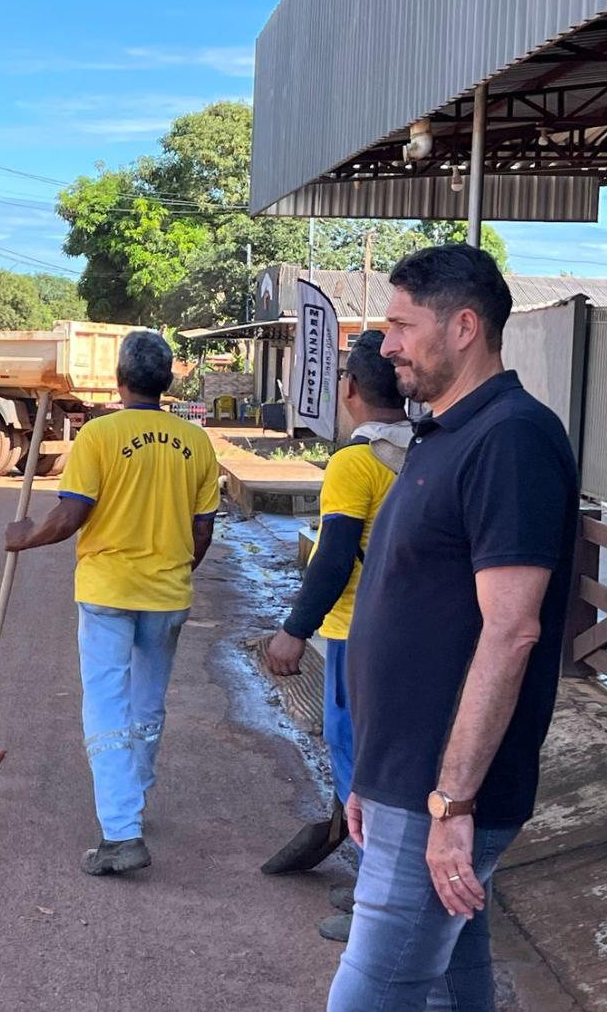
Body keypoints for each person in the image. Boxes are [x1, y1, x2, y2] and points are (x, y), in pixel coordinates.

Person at [327, 245, 578, 1010]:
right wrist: (373, 771)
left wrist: (451, 804)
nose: (386, 343)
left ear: (464, 325)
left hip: (441, 795)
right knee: (450, 988)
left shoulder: (512, 438)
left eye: (401, 324)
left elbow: (511, 631)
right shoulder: (448, 433)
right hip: (409, 783)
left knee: (368, 997)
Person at [4, 331, 220, 876]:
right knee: (147, 704)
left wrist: (25, 536)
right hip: (167, 594)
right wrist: (173, 570)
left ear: (121, 381)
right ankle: (134, 797)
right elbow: (202, 531)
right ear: (167, 381)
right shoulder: (196, 443)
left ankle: (122, 832)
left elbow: (70, 516)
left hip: (107, 593)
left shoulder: (100, 436)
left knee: (105, 704)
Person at [261, 331, 412, 941]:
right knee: (397, 762)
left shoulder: (356, 461)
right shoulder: (425, 449)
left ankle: (375, 901)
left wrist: (295, 630)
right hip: (414, 633)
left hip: (359, 633)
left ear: (349, 388)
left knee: (356, 760)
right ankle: (392, 884)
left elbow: (334, 558)